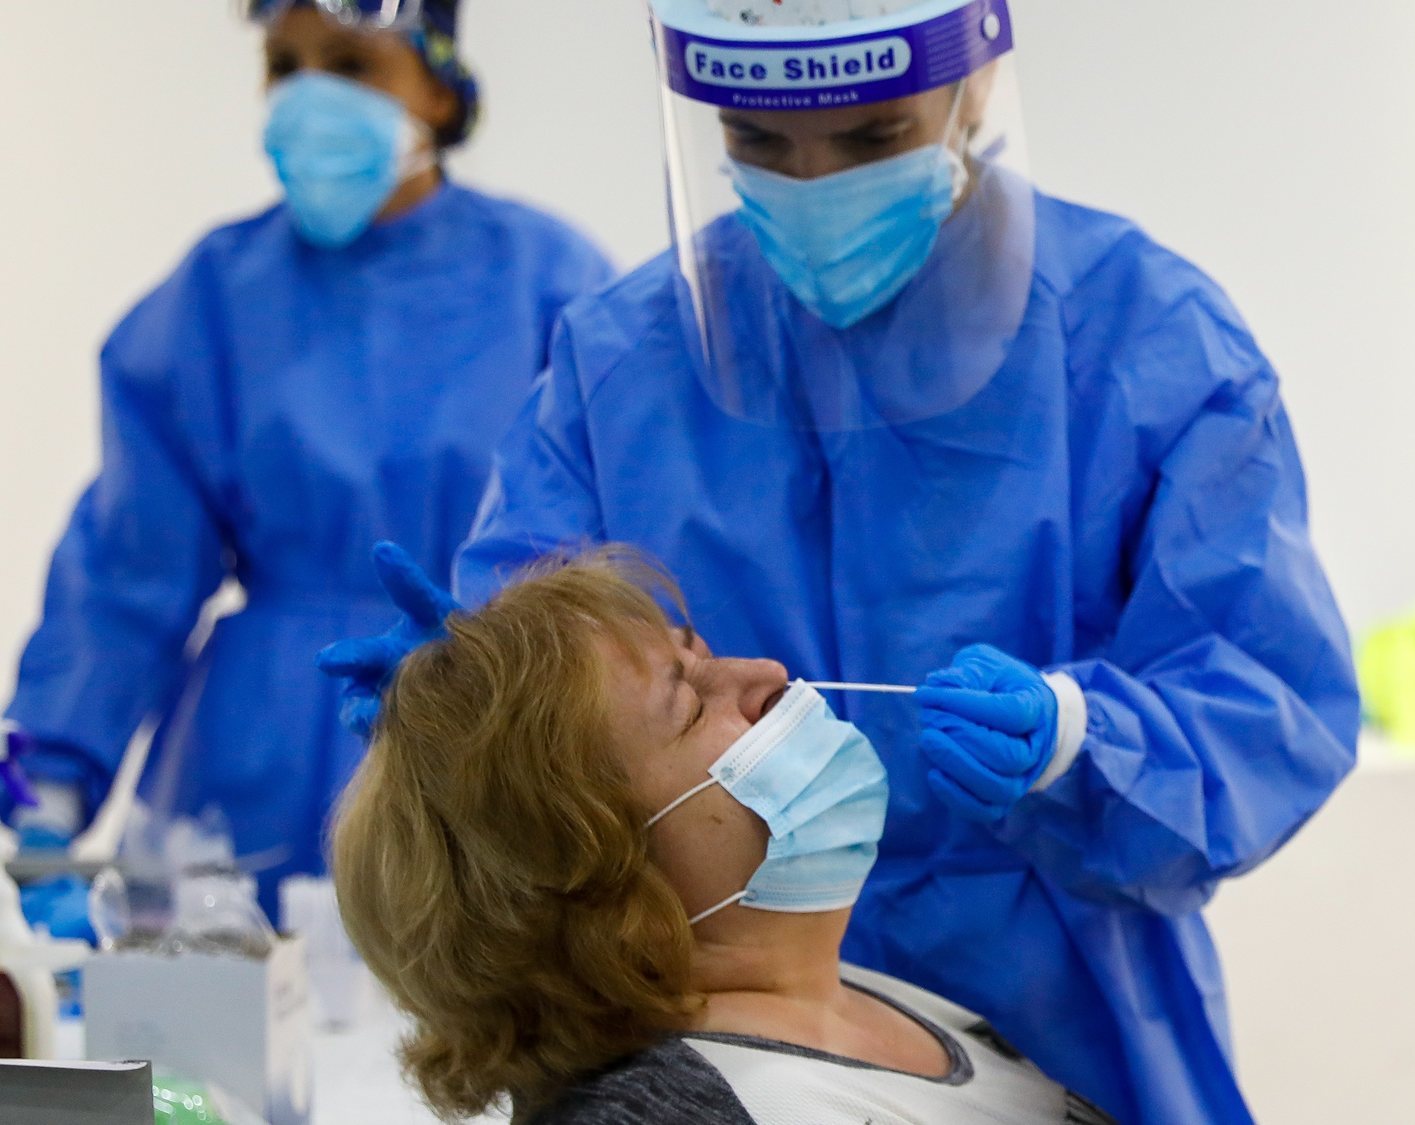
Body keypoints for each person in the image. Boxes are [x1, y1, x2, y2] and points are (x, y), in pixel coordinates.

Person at [324, 0, 1360, 1119]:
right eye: (759, 144)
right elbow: (552, 675)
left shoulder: (1143, 337)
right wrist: (465, 701)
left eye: (869, 139)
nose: (814, 186)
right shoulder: (627, 357)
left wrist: (1083, 741)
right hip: (714, 1003)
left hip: (1060, 984)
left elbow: (1271, 700)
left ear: (971, 89)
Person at [2, 0, 614, 923]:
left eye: (352, 65)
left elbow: (606, 553)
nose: (309, 95)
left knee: (462, 1031)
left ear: (439, 93)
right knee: (203, 1055)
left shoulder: (548, 279)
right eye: (284, 66)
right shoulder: (216, 292)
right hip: (253, 751)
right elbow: (131, 569)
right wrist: (47, 787)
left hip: (477, 732)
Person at [332, 547, 1115, 1124]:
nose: (768, 672)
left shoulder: (857, 998)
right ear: (595, 866)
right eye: (690, 704)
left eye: (698, 657)